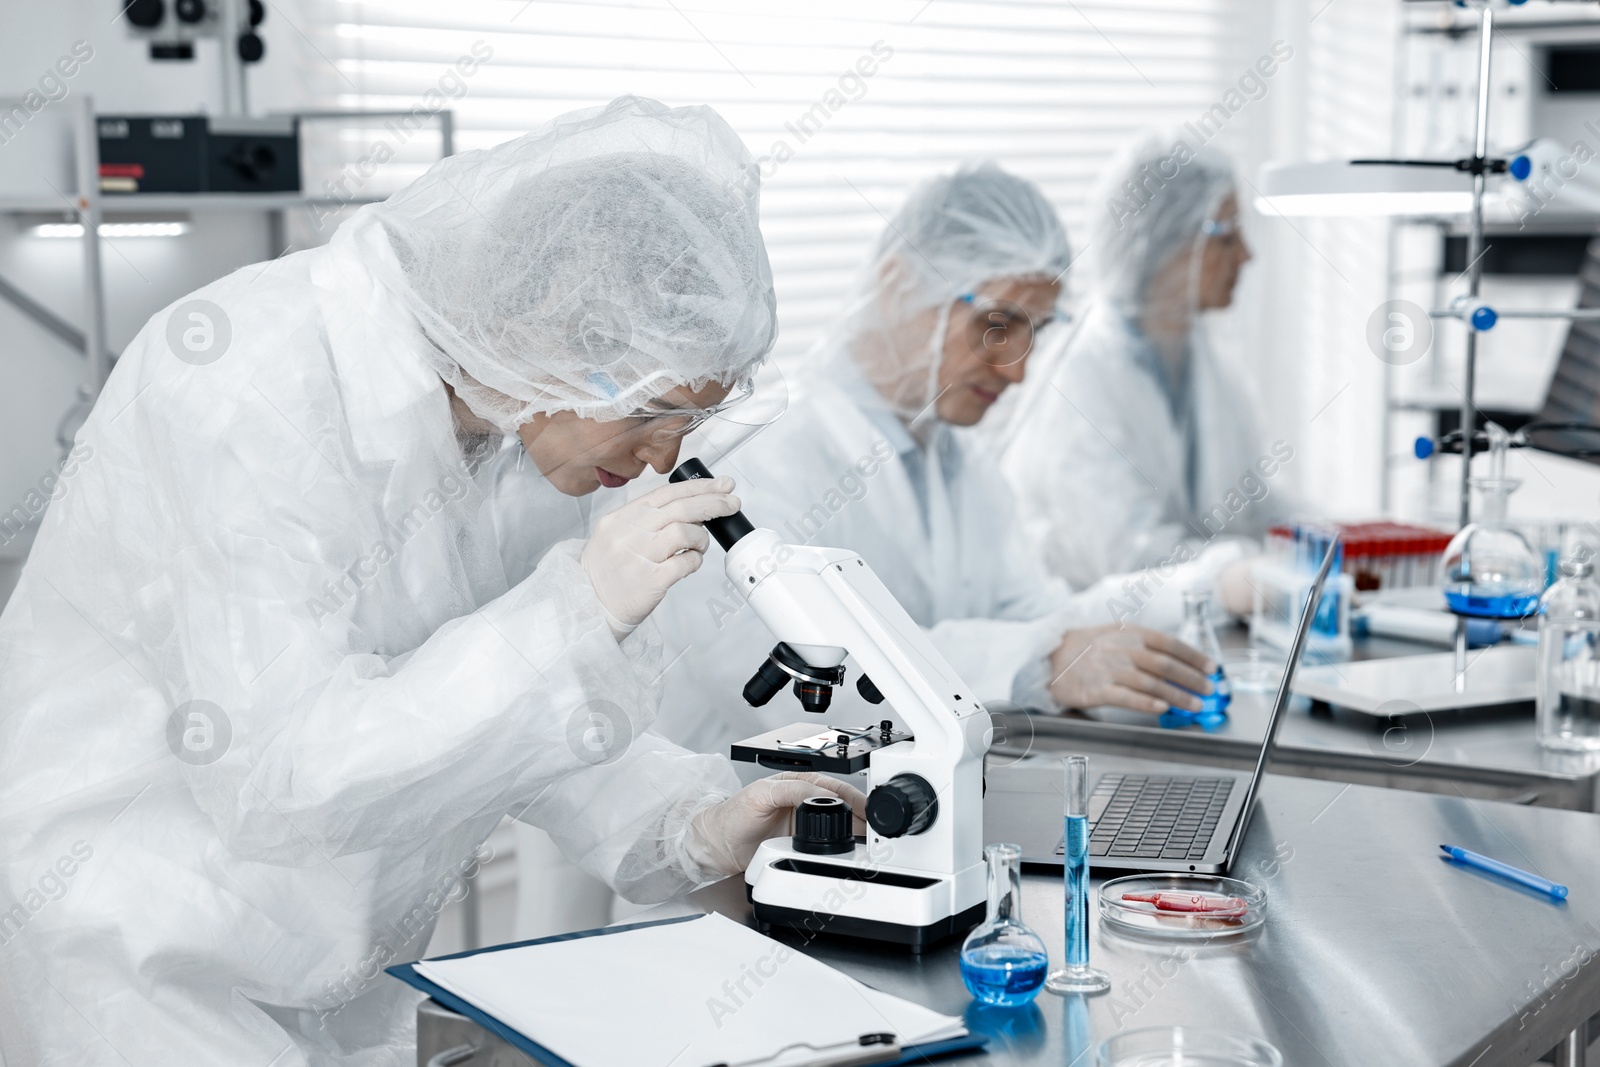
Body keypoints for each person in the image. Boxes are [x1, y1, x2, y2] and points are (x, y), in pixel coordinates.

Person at [0, 96, 864, 1067]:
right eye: (656, 410)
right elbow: (284, 775)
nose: (667, 455)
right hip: (140, 955)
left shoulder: (518, 411)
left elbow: (510, 714)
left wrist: (691, 824)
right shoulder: (245, 386)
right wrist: (573, 609)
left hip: (337, 973)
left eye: (691, 421)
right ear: (549, 324)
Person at [650, 162, 1219, 770]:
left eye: (1035, 336)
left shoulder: (961, 464)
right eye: (995, 327)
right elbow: (802, 697)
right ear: (899, 285)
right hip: (757, 833)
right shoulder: (757, 459)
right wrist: (1034, 664)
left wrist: (1199, 591)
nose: (1017, 370)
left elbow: (1037, 617)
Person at [1000, 132, 1286, 609]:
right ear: (1170, 243)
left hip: (1197, 628)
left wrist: (1332, 539)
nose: (1247, 255)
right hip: (1105, 643)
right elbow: (1127, 558)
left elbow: (1249, 500)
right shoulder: (1084, 377)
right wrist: (1237, 572)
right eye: (1227, 235)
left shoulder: (1203, 358)